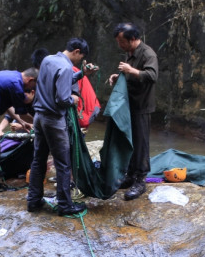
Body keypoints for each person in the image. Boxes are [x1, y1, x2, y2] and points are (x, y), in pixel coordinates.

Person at [26, 38, 97, 216]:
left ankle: (33, 201)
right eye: (81, 58)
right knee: (63, 164)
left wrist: (81, 74)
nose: (79, 61)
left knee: (38, 160)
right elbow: (62, 99)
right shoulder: (65, 67)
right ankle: (65, 205)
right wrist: (73, 99)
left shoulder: (48, 60)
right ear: (77, 51)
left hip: (39, 117)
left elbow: (57, 81)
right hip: (54, 120)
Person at [108, 22, 158, 201]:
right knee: (129, 140)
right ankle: (129, 175)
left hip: (142, 106)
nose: (120, 46)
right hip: (129, 105)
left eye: (122, 42)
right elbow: (131, 75)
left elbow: (152, 76)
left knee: (141, 142)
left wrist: (131, 70)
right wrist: (119, 76)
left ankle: (140, 180)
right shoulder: (130, 54)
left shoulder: (147, 54)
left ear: (133, 39)